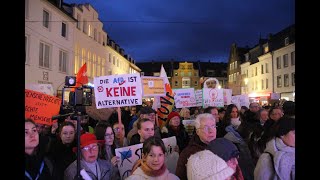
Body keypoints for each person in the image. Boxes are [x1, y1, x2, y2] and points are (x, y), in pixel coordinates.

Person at [175, 113, 217, 180]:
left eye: (213, 126)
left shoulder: (222, 148)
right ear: (197, 132)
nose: (211, 131)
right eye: (206, 127)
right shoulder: (187, 153)